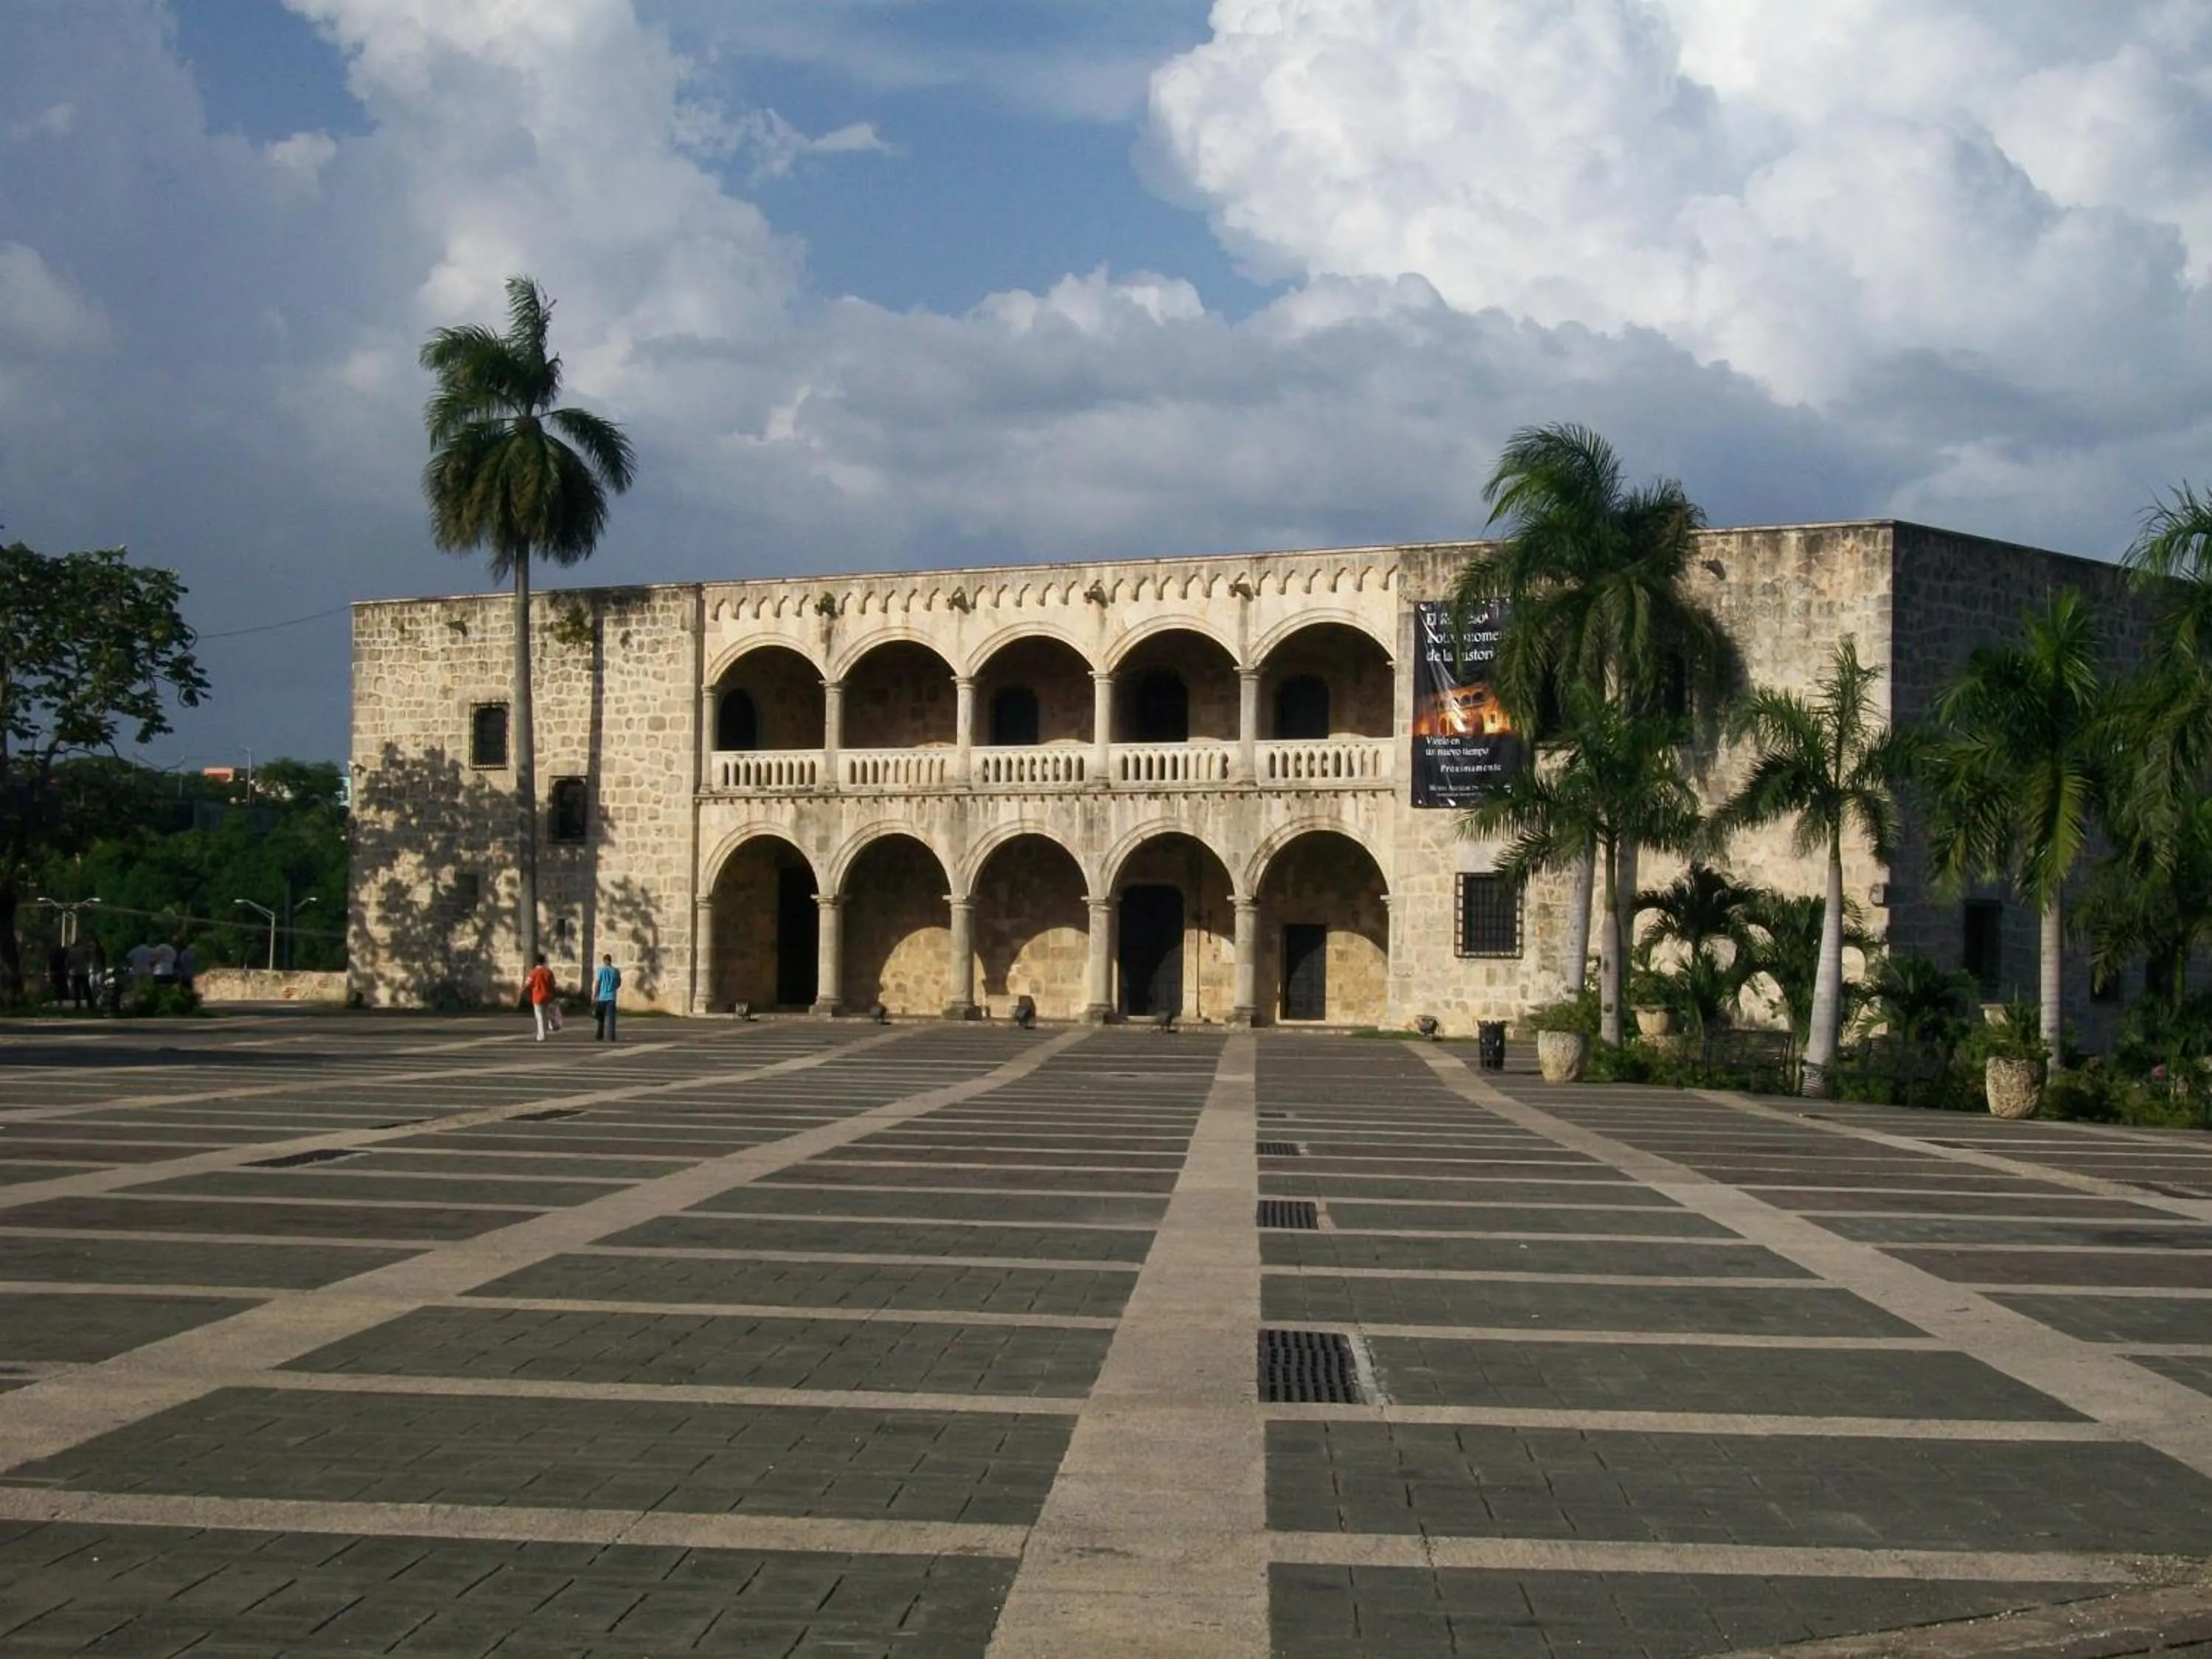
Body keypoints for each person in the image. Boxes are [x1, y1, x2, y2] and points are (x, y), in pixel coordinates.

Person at [526, 953, 559, 1040]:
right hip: (547, 996)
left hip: (537, 997)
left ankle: (542, 1035)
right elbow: (553, 984)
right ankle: (548, 1029)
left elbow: (528, 984)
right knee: (546, 1015)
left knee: (540, 1017)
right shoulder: (549, 972)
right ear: (544, 961)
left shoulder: (533, 972)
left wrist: (527, 993)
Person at [591, 953, 622, 1042]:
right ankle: (611, 1036)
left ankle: (599, 1035)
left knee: (600, 1018)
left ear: (604, 961)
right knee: (611, 1019)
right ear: (610, 960)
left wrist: (595, 995)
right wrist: (613, 987)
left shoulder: (601, 970)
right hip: (611, 997)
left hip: (602, 997)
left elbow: (598, 983)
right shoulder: (615, 971)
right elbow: (619, 983)